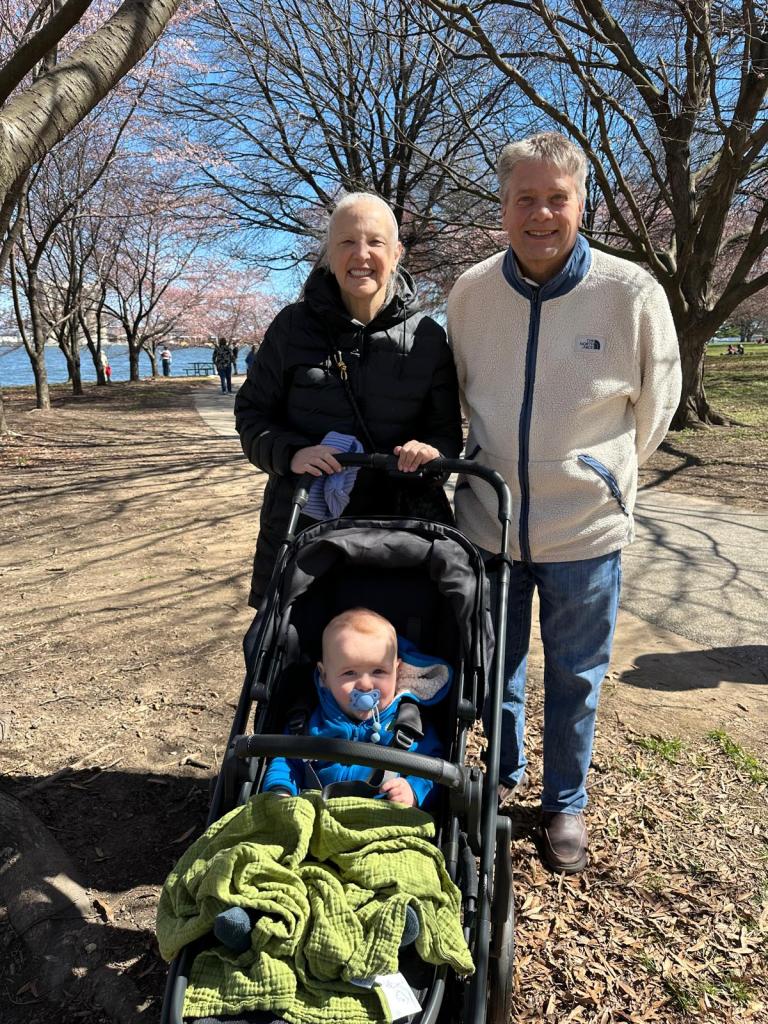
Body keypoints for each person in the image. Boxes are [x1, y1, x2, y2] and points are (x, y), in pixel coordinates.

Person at [448, 132, 681, 874]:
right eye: (525, 198)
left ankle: (565, 801)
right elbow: (456, 393)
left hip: (586, 529)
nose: (541, 214)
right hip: (490, 523)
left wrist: (601, 473)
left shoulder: (630, 292)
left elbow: (658, 406)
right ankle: (502, 773)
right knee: (497, 668)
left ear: (582, 203)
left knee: (577, 675)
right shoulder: (471, 292)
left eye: (557, 198)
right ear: (503, 206)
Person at [234, 191, 462, 608]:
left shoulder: (428, 338)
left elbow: (446, 434)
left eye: (375, 242)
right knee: (293, 641)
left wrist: (431, 453)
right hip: (302, 526)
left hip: (399, 535)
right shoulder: (291, 327)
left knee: (395, 641)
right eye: (346, 242)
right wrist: (292, 454)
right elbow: (252, 415)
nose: (361, 255)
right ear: (329, 253)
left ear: (397, 253)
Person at [262, 608, 451, 808]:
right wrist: (281, 790)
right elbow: (286, 761)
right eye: (350, 673)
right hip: (317, 811)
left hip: (384, 815)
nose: (366, 685)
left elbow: (434, 767)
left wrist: (413, 791)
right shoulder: (306, 722)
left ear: (397, 671)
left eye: (378, 671)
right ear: (324, 676)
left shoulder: (409, 726)